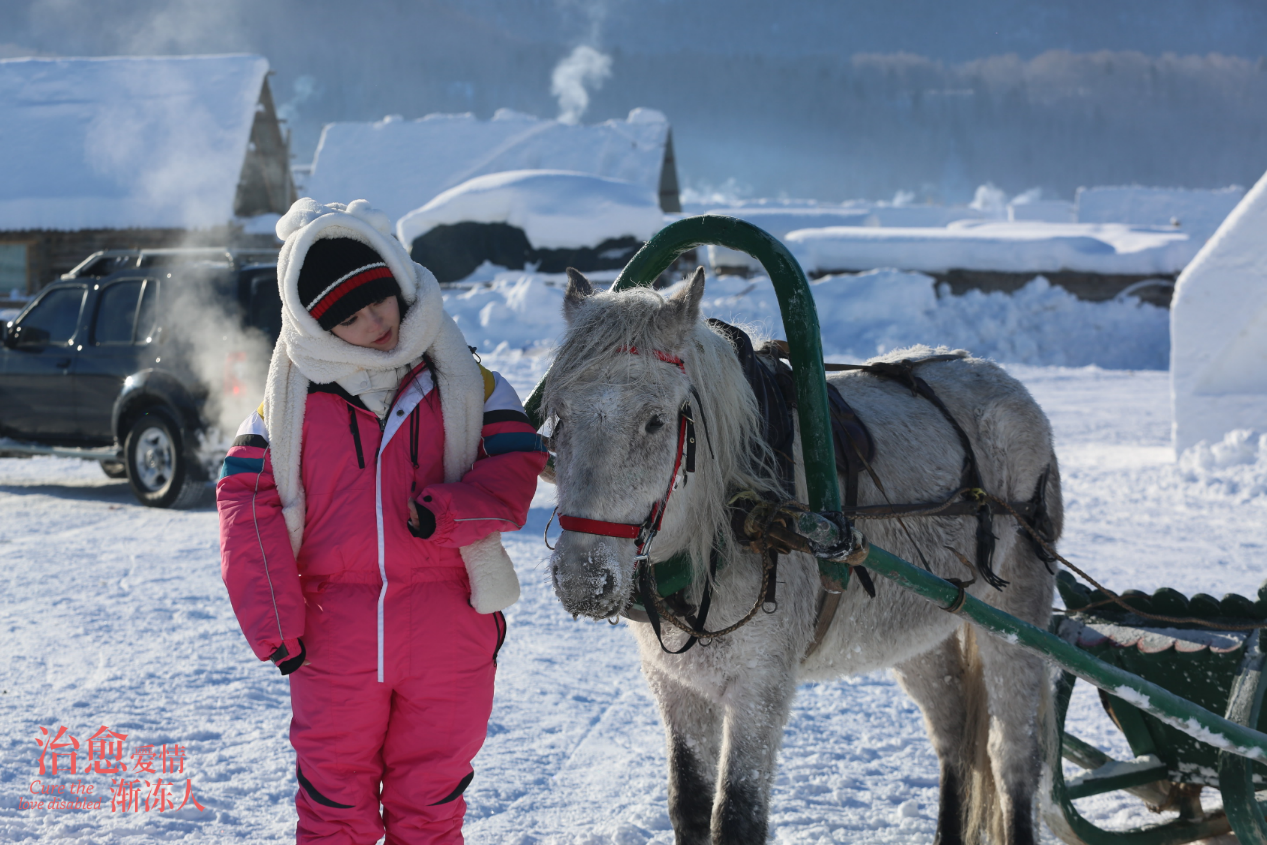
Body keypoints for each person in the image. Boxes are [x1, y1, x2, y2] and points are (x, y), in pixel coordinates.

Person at [217, 198, 546, 844]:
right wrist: (276, 626)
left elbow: (516, 461)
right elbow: (242, 503)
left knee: (430, 809)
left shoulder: (462, 376)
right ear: (317, 324)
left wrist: (452, 508)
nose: (378, 324)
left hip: (449, 632)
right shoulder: (288, 400)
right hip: (333, 638)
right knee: (333, 810)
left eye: (382, 302)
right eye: (352, 317)